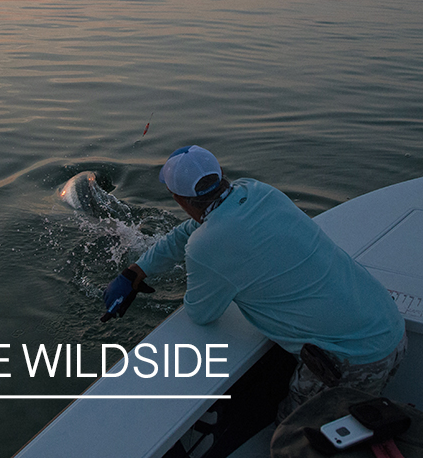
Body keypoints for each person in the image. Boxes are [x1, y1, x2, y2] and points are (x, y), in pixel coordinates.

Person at [102, 145, 407, 422]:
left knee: (295, 435)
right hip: (389, 324)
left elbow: (201, 313)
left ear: (178, 199)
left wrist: (217, 277)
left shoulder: (207, 247)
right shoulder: (258, 191)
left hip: (355, 360)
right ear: (220, 175)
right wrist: (136, 271)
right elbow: (189, 230)